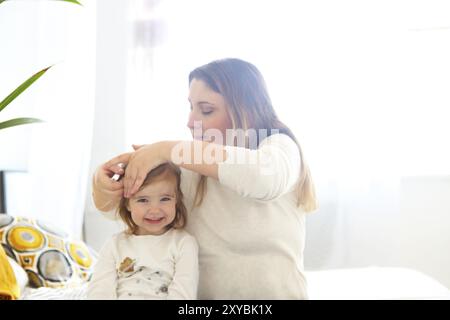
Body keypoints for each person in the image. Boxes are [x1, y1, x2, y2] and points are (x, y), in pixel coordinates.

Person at [92, 58, 317, 299]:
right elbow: (120, 211)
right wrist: (102, 184)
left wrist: (167, 150)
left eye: (206, 110)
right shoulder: (192, 166)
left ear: (245, 112)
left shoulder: (279, 147)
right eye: (191, 107)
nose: (190, 122)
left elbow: (262, 179)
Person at [88, 162, 199, 300]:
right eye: (143, 200)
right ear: (128, 203)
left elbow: (184, 294)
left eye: (165, 199)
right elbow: (99, 290)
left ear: (176, 200)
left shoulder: (183, 243)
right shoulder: (115, 244)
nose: (155, 210)